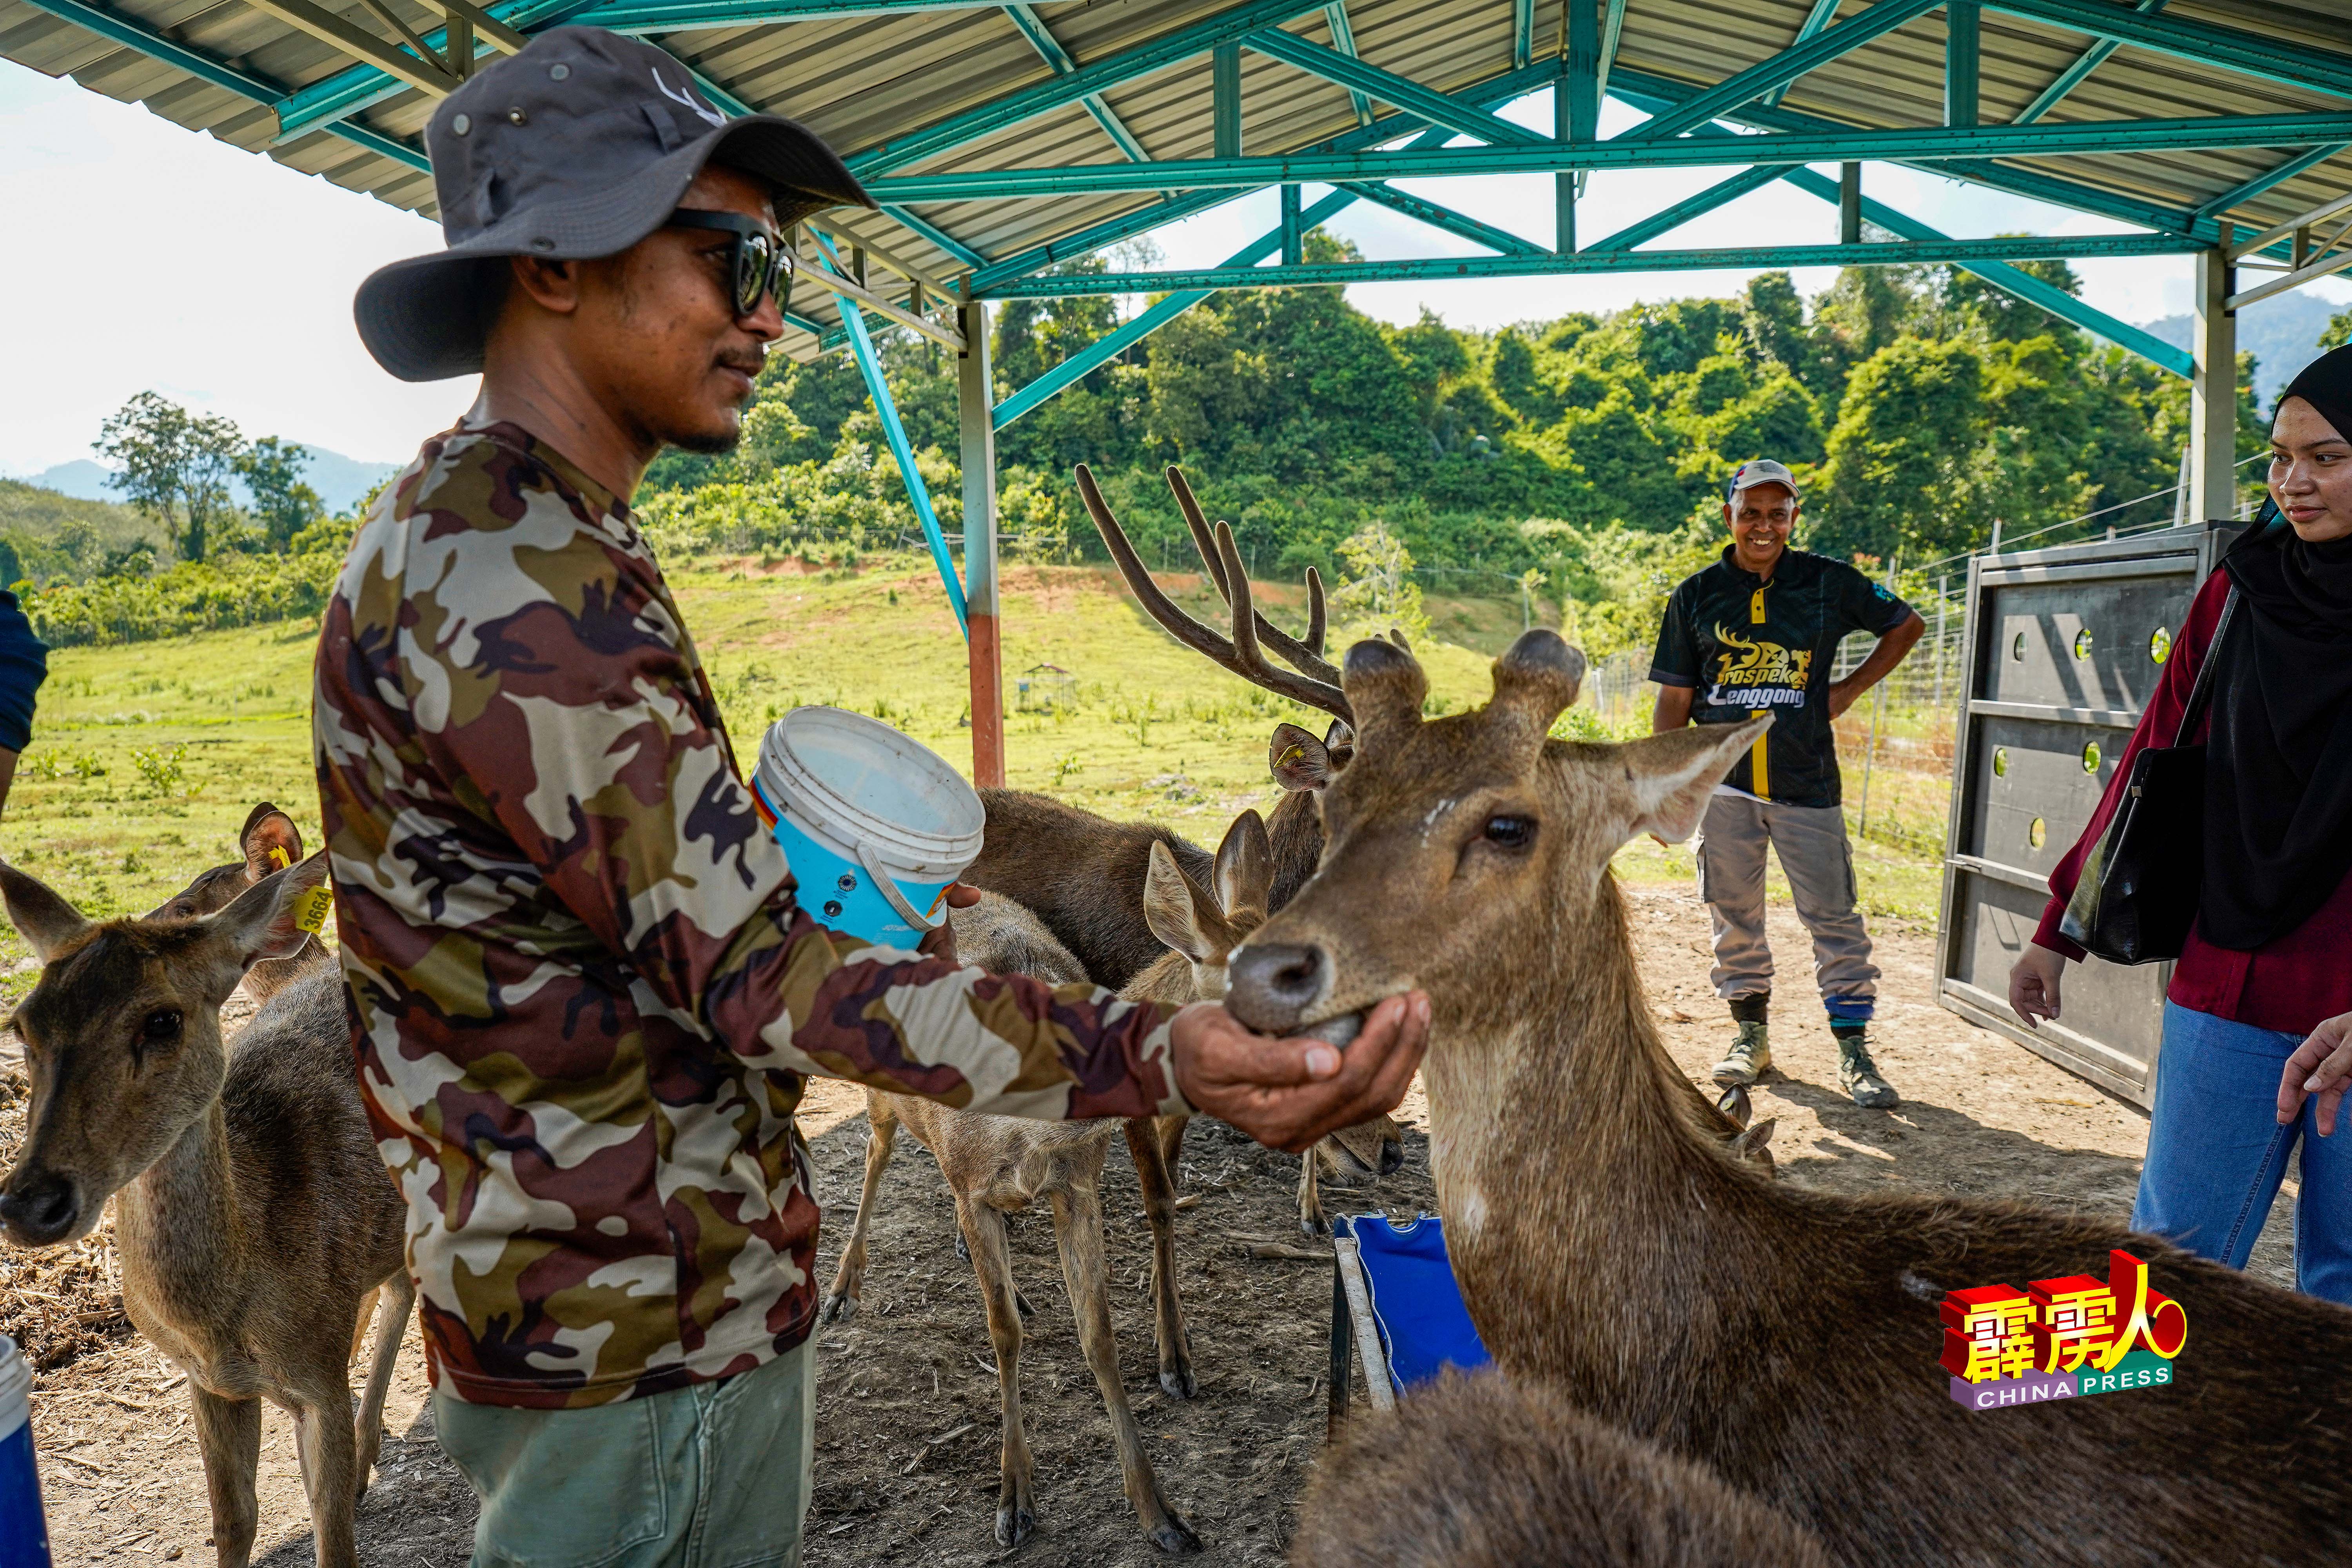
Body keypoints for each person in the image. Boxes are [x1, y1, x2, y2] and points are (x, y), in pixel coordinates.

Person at [327, 30, 1428, 1566]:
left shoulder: (527, 538)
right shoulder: (516, 582)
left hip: (635, 1312)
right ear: (558, 269)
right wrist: (1161, 1047)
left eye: (773, 262)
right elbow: (761, 979)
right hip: (634, 1349)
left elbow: (644, 919)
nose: (768, 314)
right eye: (729, 256)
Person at [2011, 345, 2352, 1305]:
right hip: (2229, 981)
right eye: (2280, 456)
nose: (2293, 481)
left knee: (2344, 1286)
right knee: (2166, 1267)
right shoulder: (2241, 587)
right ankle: (2031, 1432)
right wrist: (2057, 931)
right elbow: (2150, 760)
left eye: (2327, 457)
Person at [1650, 459, 1926, 1109]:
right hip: (1726, 789)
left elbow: (1905, 623)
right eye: (1751, 513)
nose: (1764, 526)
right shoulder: (1695, 597)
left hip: (1808, 785)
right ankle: (1751, 1038)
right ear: (1730, 517)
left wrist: (1849, 690)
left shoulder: (1828, 584)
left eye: (1778, 513)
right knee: (1735, 917)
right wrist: (1668, 786)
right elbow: (1676, 699)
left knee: (1834, 918)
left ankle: (1854, 1050)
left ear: (1794, 517)